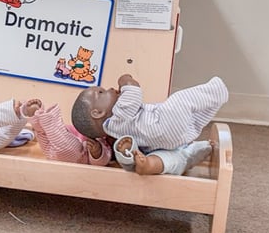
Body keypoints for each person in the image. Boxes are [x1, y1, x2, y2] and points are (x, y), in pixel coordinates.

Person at [69, 74, 228, 176]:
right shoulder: (119, 115)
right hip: (163, 123)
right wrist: (125, 80)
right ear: (98, 113)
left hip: (164, 143)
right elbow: (134, 90)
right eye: (102, 92)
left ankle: (151, 164)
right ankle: (217, 91)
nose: (110, 89)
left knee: (168, 153)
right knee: (181, 100)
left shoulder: (115, 131)